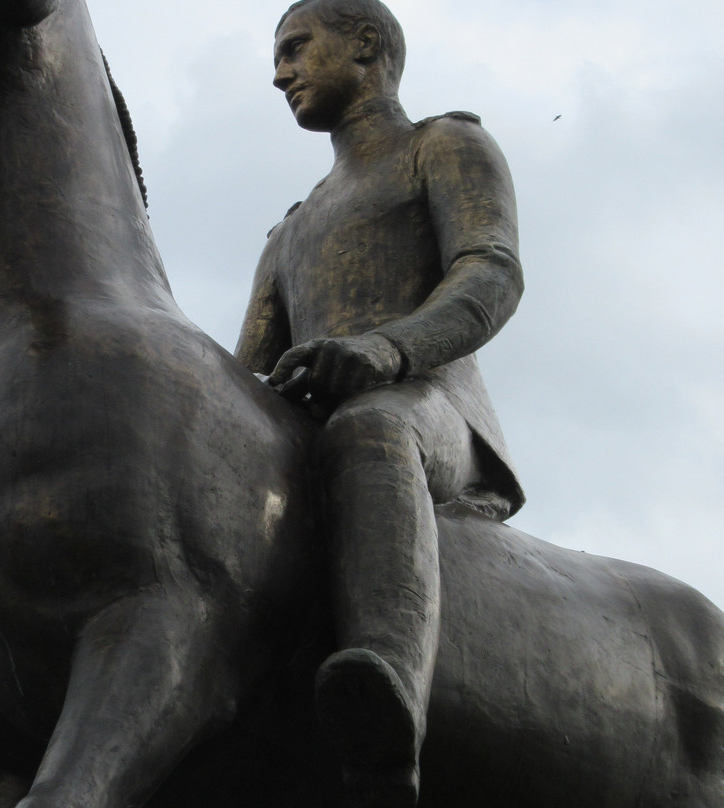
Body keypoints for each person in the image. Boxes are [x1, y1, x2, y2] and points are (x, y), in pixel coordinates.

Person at [235, 1, 526, 805]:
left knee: (370, 428)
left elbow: (491, 271)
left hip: (428, 408)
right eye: (278, 55)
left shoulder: (443, 145)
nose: (278, 71)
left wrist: (385, 351)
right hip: (310, 426)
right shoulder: (288, 232)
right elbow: (243, 375)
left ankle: (388, 694)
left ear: (365, 45)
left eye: (296, 48)